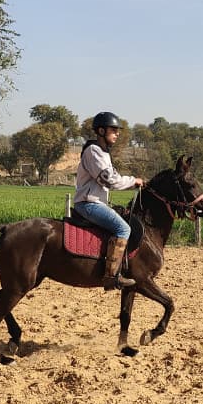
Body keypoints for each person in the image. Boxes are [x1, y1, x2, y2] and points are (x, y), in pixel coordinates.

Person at [73, 112, 144, 289]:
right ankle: (112, 276)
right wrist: (133, 181)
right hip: (89, 203)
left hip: (96, 202)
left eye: (117, 130)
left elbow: (111, 177)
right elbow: (109, 179)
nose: (117, 133)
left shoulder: (103, 152)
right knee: (123, 228)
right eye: (114, 130)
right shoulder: (94, 151)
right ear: (102, 130)